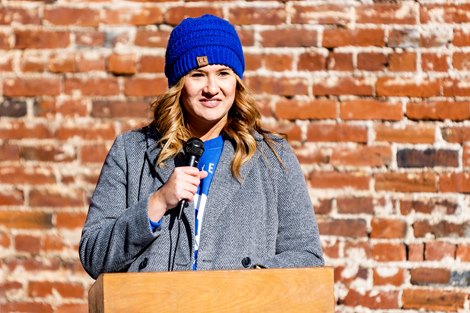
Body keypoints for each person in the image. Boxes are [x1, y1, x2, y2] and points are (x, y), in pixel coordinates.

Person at [79, 14, 324, 279]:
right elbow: (94, 254)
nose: (212, 88)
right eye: (198, 75)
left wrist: (249, 283)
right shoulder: (132, 152)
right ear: (178, 85)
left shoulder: (272, 157)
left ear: (237, 81)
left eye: (223, 74)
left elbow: (306, 256)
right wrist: (157, 202)